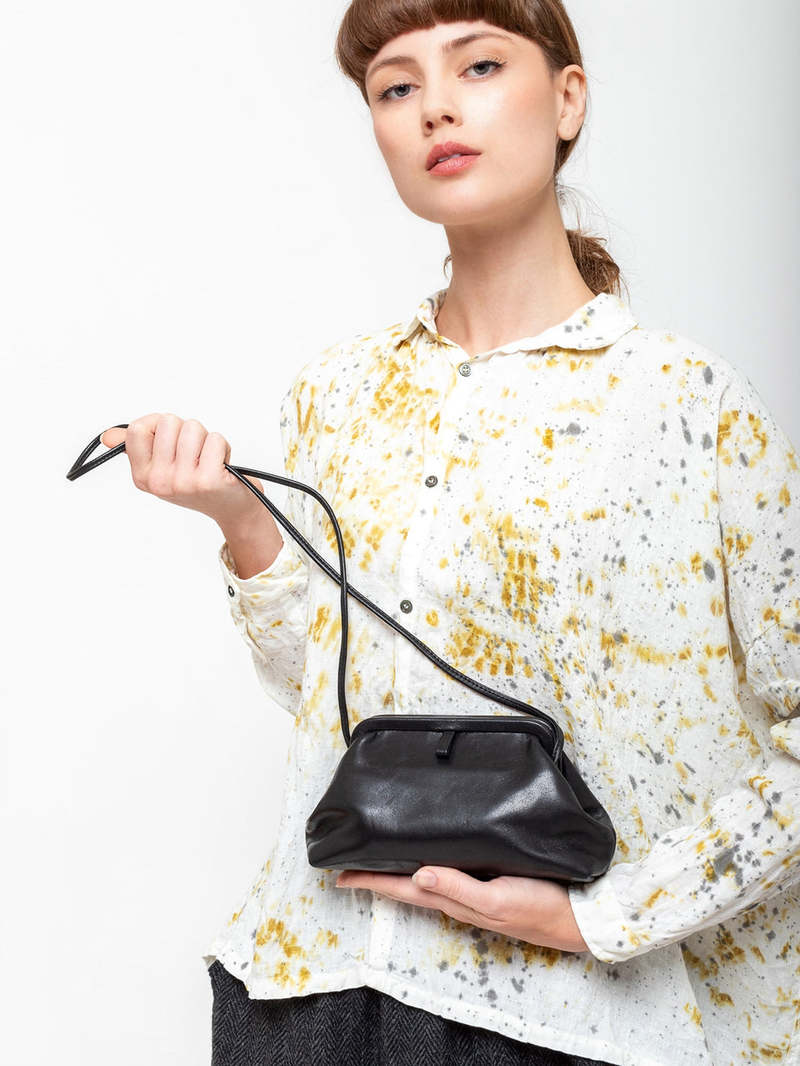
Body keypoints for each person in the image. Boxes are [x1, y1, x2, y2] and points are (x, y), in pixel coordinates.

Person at [99, 3, 800, 1064]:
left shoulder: (689, 406)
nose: (434, 107)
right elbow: (327, 699)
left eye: (477, 65)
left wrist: (605, 916)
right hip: (308, 989)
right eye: (396, 85)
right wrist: (241, 521)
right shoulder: (337, 393)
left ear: (566, 99)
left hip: (565, 1016)